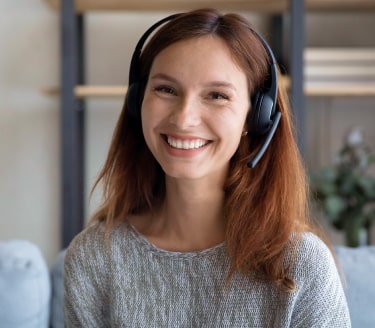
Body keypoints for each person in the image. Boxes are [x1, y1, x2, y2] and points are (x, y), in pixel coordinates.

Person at [64, 8, 351, 327]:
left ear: (255, 117)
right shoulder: (95, 257)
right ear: (137, 100)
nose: (184, 118)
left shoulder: (301, 264)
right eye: (166, 89)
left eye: (217, 95)